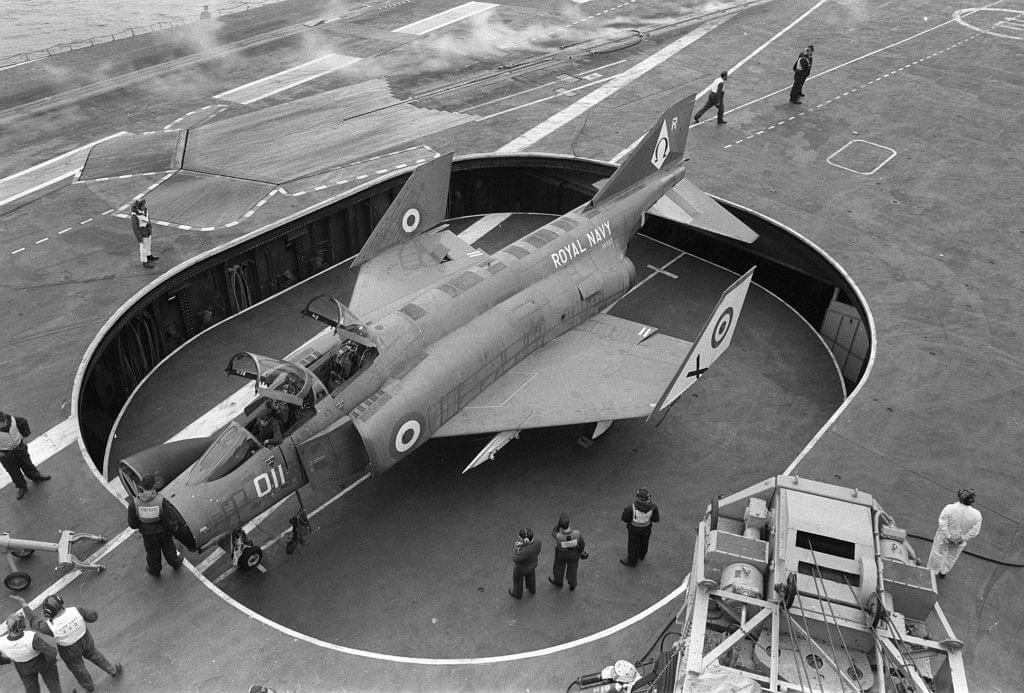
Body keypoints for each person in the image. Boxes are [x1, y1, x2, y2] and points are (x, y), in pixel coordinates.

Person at [10, 595, 122, 693]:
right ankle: (112, 670)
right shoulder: (77, 610)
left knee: (78, 668)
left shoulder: (49, 626)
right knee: (96, 655)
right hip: (85, 639)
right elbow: (93, 616)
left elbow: (34, 622)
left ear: (49, 612)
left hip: (68, 649)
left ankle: (89, 686)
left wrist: (25, 606)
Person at [127, 474, 185, 576]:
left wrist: (142, 525)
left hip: (148, 534)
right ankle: (175, 563)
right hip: (163, 532)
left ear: (141, 487)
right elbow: (169, 519)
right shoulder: (161, 501)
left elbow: (133, 523)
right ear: (153, 486)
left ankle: (154, 570)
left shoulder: (134, 503)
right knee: (169, 548)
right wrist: (174, 529)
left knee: (152, 553)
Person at [0, 611, 61, 693]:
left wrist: (10, 659)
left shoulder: (1, 642)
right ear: (22, 625)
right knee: (53, 684)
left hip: (22, 667)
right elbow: (50, 652)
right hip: (41, 663)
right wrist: (52, 661)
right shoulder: (31, 637)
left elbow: (1, 660)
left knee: (31, 689)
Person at [928, 489, 982, 579]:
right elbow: (974, 531)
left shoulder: (950, 508)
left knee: (937, 553)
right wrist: (962, 538)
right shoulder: (977, 515)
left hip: (944, 537)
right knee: (952, 556)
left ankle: (932, 572)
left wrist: (948, 536)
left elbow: (942, 522)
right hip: (960, 541)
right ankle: (943, 572)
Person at [0, 410, 51, 501]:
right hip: (5, 455)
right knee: (13, 472)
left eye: (2, 423)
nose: (2, 425)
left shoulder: (12, 420)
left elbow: (23, 422)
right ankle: (22, 487)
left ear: (4, 420)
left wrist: (25, 436)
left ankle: (35, 476)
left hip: (19, 448)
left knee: (27, 464)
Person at [620, 488, 660, 567]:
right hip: (647, 529)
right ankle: (642, 556)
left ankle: (632, 562)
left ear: (638, 498)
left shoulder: (631, 508)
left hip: (634, 530)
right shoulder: (653, 507)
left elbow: (624, 518)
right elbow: (656, 519)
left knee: (633, 546)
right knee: (644, 543)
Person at [548, 513, 587, 591]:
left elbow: (553, 532)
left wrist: (558, 525)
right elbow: (582, 544)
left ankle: (558, 582)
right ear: (569, 523)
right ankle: (572, 585)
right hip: (574, 553)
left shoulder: (558, 536)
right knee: (573, 569)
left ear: (560, 526)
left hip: (561, 554)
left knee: (558, 568)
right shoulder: (577, 533)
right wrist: (580, 551)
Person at [508, 528, 542, 599]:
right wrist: (522, 544)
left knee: (517, 580)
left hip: (521, 569)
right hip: (533, 564)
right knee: (531, 576)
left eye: (520, 537)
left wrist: (517, 548)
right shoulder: (538, 540)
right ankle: (532, 589)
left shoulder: (524, 550)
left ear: (525, 540)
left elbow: (515, 559)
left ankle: (517, 594)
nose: (519, 538)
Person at [130, 198, 158, 269]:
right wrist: (140, 239)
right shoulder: (134, 216)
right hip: (142, 234)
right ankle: (144, 262)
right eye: (143, 205)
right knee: (143, 248)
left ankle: (149, 256)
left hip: (148, 231)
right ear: (139, 206)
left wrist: (150, 227)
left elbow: (148, 218)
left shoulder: (145, 210)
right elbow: (135, 229)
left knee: (148, 244)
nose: (144, 206)